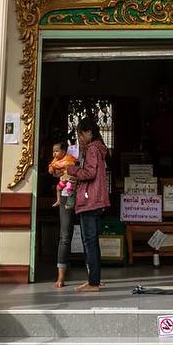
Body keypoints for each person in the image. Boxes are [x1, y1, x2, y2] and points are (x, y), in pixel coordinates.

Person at [71, 115, 109, 293]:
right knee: (93, 242)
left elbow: (89, 173)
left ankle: (93, 282)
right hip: (97, 200)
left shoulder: (92, 149)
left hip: (89, 200)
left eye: (81, 134)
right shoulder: (99, 149)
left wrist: (73, 170)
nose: (79, 139)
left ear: (89, 132)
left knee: (89, 242)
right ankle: (95, 279)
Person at [49, 139, 78, 289]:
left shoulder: (82, 153)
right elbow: (55, 172)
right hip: (66, 195)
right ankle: (61, 276)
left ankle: (94, 277)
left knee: (89, 236)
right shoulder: (60, 159)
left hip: (82, 194)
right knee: (65, 236)